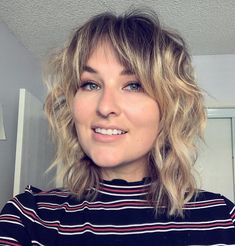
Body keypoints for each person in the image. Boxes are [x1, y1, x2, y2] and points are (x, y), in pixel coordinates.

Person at [0, 9, 235, 246]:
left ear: (169, 109)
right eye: (90, 84)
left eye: (133, 85)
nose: (105, 107)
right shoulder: (28, 218)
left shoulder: (224, 219)